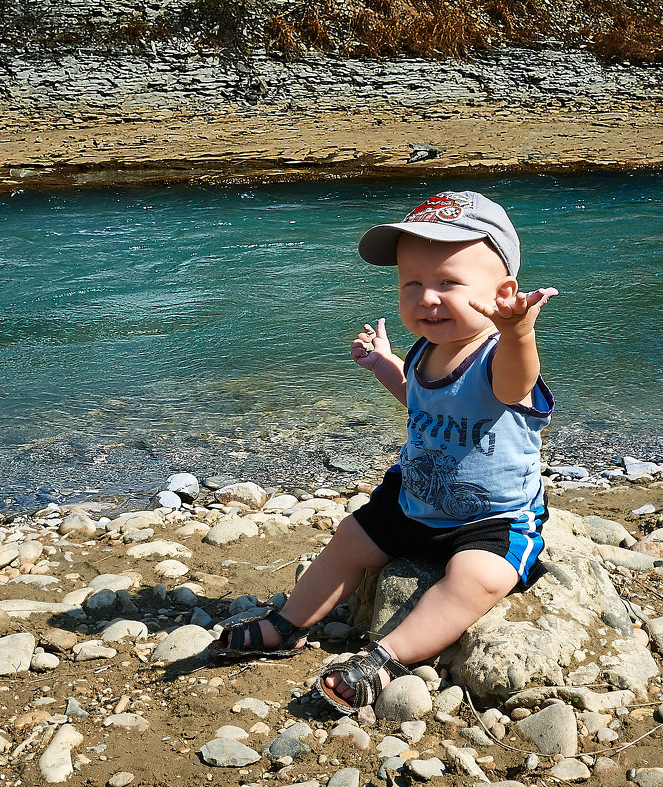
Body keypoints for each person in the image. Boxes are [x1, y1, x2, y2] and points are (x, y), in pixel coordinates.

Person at [209, 189, 559, 715]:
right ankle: (287, 623)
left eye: (448, 282)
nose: (426, 297)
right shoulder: (425, 351)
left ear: (503, 291)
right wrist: (384, 365)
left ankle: (387, 658)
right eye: (411, 283)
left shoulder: (499, 355)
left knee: (477, 578)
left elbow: (515, 385)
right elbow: (420, 401)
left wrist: (519, 332)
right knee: (352, 536)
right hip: (413, 501)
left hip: (493, 518)